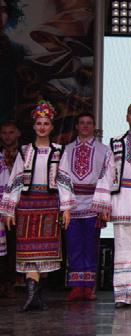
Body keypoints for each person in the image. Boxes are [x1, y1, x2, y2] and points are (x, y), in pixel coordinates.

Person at [0, 101, 74, 311]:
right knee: (28, 252)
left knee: (46, 253)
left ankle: (36, 296)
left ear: (51, 127)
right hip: (27, 206)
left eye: (46, 123)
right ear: (34, 126)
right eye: (39, 123)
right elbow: (15, 179)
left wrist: (66, 208)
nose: (42, 127)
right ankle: (32, 296)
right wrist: (9, 209)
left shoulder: (59, 151)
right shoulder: (25, 151)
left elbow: (64, 180)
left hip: (49, 205)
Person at [92, 102, 131, 308]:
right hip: (121, 199)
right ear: (126, 117)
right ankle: (121, 295)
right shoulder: (116, 142)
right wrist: (104, 204)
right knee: (122, 247)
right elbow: (107, 173)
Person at [64, 112, 111, 301]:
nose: (85, 126)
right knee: (73, 245)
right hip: (72, 204)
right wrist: (64, 204)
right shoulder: (66, 150)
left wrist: (103, 205)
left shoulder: (104, 150)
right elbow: (61, 177)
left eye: (89, 123)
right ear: (76, 126)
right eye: (81, 123)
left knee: (91, 246)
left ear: (94, 127)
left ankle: (89, 287)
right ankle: (76, 286)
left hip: (93, 203)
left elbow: (107, 178)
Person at [0, 120, 20, 298]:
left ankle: (10, 282)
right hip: (1, 205)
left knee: (13, 244)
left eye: (11, 132)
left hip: (18, 205)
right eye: (4, 133)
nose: (7, 136)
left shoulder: (24, 153)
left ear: (18, 134)